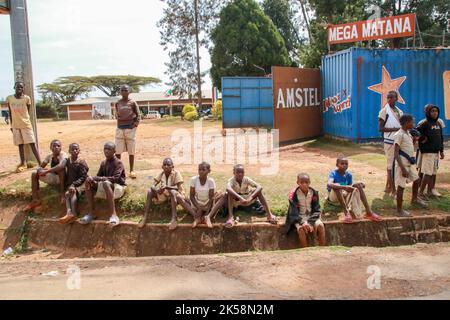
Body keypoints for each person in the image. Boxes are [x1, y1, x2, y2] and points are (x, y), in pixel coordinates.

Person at [40, 143, 89, 224]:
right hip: (73, 184)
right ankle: (69, 213)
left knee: (72, 192)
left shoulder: (81, 162)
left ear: (79, 151)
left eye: (76, 149)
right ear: (69, 151)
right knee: (67, 194)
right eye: (72, 149)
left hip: (82, 183)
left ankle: (74, 214)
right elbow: (60, 166)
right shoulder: (67, 160)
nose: (74, 151)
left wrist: (74, 184)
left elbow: (83, 177)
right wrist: (46, 171)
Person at [139, 158, 194, 230]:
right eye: (164, 165)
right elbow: (153, 185)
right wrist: (157, 190)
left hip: (176, 196)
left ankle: (174, 218)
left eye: (168, 165)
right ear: (162, 167)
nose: (166, 166)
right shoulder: (162, 174)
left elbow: (179, 188)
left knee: (172, 191)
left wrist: (167, 187)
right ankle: (145, 217)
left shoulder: (176, 173)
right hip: (165, 196)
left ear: (172, 166)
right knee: (150, 191)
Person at [79, 142, 126, 226]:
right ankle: (91, 213)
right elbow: (98, 177)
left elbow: (115, 178)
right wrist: (91, 180)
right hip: (106, 186)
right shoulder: (103, 163)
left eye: (109, 149)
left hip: (118, 187)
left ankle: (113, 215)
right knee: (88, 181)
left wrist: (97, 178)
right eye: (105, 149)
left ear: (114, 151)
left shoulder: (119, 163)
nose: (106, 151)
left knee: (105, 183)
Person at [327, 156, 383, 224]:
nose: (344, 165)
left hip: (345, 197)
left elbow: (349, 186)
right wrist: (344, 187)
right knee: (337, 186)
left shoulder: (348, 175)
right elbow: (329, 184)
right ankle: (346, 213)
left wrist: (359, 186)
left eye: (346, 164)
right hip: (334, 197)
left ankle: (369, 212)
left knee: (357, 184)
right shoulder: (334, 173)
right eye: (342, 163)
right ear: (337, 165)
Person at [393, 114, 427, 217]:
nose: (413, 124)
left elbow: (409, 146)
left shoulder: (408, 133)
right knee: (401, 186)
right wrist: (402, 168)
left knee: (417, 180)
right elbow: (396, 153)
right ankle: (399, 210)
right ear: (406, 123)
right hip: (402, 164)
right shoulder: (399, 134)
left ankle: (414, 199)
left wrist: (415, 140)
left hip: (409, 163)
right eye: (412, 122)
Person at [225, 164, 278, 228]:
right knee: (229, 193)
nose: (240, 174)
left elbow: (259, 186)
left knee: (258, 192)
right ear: (234, 173)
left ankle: (269, 215)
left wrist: (251, 197)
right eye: (238, 172)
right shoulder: (231, 180)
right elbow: (228, 188)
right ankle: (230, 217)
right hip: (237, 201)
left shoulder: (246, 179)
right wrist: (240, 198)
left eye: (242, 172)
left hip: (248, 200)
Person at [6, 81, 42, 172]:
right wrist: (11, 125)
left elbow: (27, 111)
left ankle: (40, 163)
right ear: (14, 87)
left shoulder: (27, 98)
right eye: (18, 87)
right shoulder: (9, 98)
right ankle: (23, 163)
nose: (20, 89)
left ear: (23, 88)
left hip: (26, 124)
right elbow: (10, 112)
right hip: (15, 125)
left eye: (21, 87)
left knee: (32, 144)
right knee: (20, 145)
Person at [24, 139, 67, 212]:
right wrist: (40, 171)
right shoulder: (49, 156)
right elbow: (41, 166)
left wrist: (47, 171)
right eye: (54, 146)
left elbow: (61, 166)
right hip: (53, 178)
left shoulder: (63, 155)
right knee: (34, 173)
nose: (56, 147)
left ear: (61, 148)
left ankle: (62, 193)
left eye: (58, 146)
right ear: (50, 148)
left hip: (63, 179)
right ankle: (35, 199)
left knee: (61, 170)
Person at [285, 173, 326, 248]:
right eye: (302, 182)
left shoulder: (314, 192)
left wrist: (310, 222)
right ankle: (305, 250)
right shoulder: (293, 194)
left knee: (320, 225)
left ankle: (322, 248)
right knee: (301, 229)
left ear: (309, 182)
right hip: (299, 217)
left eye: (306, 182)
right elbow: (293, 212)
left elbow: (317, 210)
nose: (304, 184)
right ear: (297, 183)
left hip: (312, 216)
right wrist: (303, 222)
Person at [416, 104, 445, 198]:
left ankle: (429, 191)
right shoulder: (424, 123)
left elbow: (440, 137)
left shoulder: (438, 124)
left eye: (436, 111)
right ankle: (420, 193)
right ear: (428, 112)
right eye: (432, 111)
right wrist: (422, 138)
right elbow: (414, 132)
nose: (435, 113)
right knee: (427, 173)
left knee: (433, 172)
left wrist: (441, 150)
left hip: (435, 152)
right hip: (427, 153)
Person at [378, 91, 403, 197]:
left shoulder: (400, 111)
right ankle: (393, 190)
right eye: (388, 97)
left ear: (396, 99)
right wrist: (397, 129)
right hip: (389, 141)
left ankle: (388, 187)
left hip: (398, 141)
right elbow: (381, 129)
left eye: (391, 97)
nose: (389, 99)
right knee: (390, 166)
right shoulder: (384, 111)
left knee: (396, 165)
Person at [114, 85, 140, 179]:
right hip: (120, 129)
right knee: (117, 150)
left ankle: (131, 170)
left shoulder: (133, 102)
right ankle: (118, 170)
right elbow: (116, 115)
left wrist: (135, 125)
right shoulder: (117, 103)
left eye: (126, 90)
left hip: (130, 129)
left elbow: (138, 115)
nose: (124, 91)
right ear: (120, 92)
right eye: (122, 90)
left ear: (129, 91)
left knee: (131, 150)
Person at [190, 162, 226, 228]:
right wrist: (199, 207)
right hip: (197, 203)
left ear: (209, 171)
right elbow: (191, 196)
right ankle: (197, 218)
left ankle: (207, 217)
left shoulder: (210, 181)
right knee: (185, 200)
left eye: (203, 170)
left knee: (224, 195)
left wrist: (207, 212)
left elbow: (211, 198)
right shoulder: (194, 180)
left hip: (207, 204)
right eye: (199, 170)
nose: (201, 171)